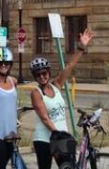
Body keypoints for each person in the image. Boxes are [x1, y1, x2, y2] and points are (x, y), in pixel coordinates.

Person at [30, 29, 93, 169]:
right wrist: (58, 133)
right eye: (38, 74)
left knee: (68, 166)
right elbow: (45, 118)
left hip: (60, 138)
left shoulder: (56, 85)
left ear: (48, 72)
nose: (42, 76)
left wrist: (81, 47)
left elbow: (70, 66)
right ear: (35, 76)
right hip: (44, 139)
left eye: (44, 73)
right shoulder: (36, 93)